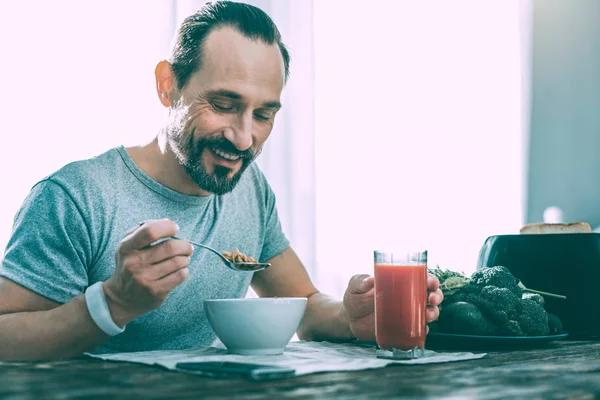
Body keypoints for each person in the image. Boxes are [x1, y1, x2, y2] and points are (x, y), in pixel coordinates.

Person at [0, 1, 443, 360]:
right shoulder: (75, 197)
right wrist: (112, 303)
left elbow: (303, 304)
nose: (245, 138)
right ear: (167, 86)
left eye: (264, 114)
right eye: (224, 104)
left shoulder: (249, 190)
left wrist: (351, 317)